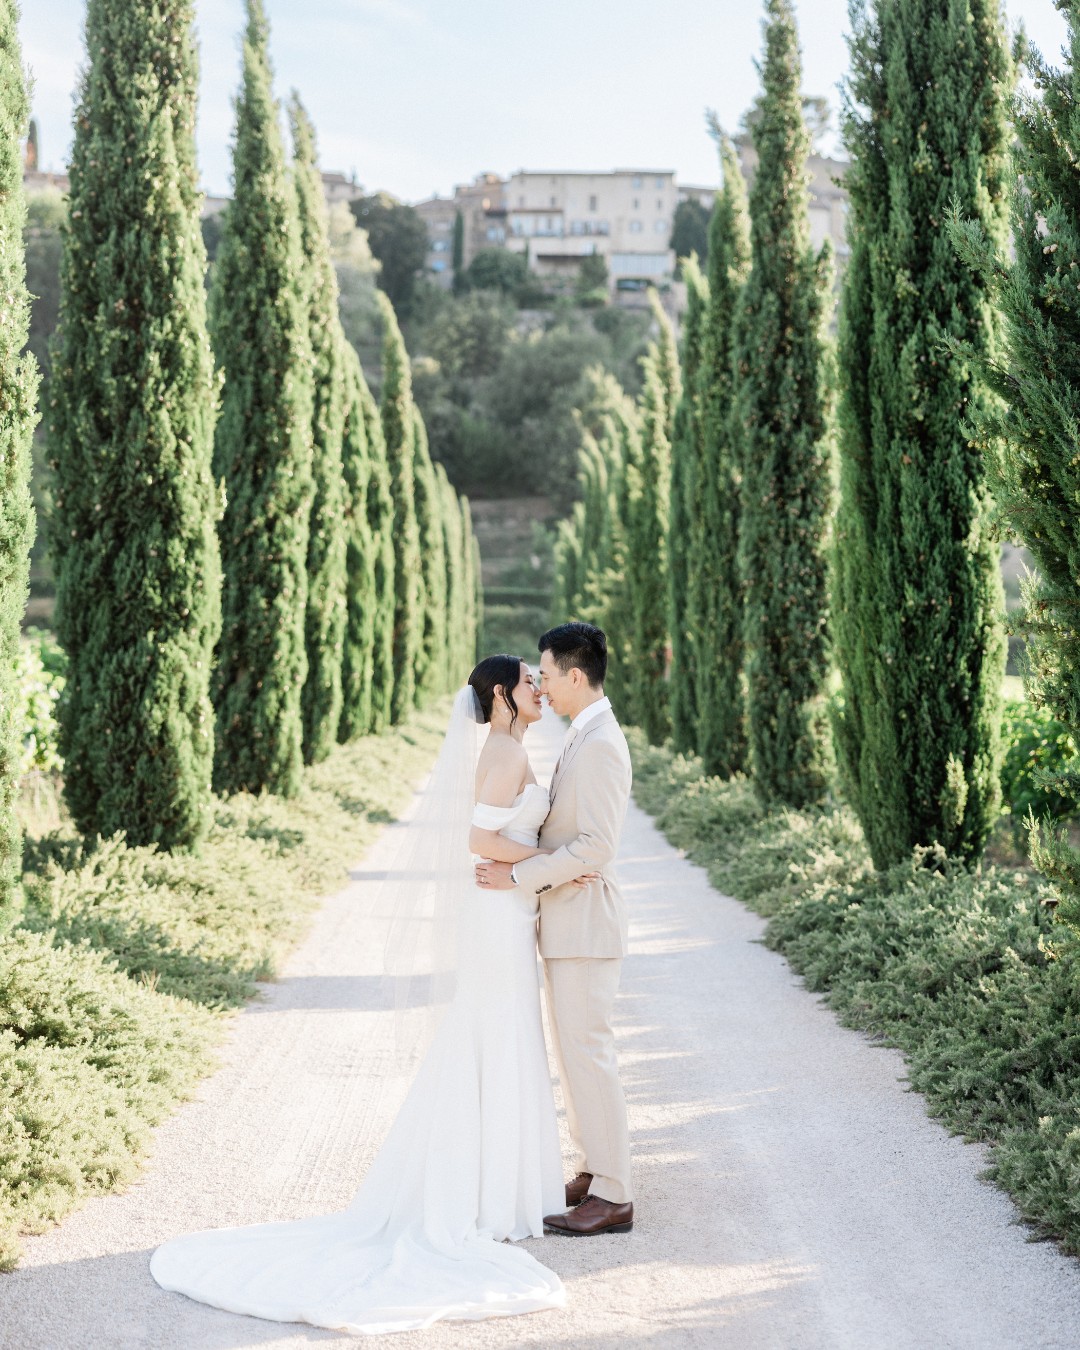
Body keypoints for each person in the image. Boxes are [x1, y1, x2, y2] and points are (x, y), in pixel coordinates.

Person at [149, 654, 597, 1335]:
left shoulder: (513, 746)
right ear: (504, 695)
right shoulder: (502, 754)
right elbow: (477, 839)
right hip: (495, 913)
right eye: (530, 683)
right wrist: (540, 869)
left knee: (502, 1035)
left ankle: (502, 1188)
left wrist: (554, 870)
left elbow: (506, 836)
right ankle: (487, 1193)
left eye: (543, 681)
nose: (541, 690)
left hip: (506, 911)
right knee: (493, 1034)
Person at [475, 621, 635, 1237]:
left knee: (590, 1055)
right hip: (569, 918)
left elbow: (595, 844)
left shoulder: (599, 743)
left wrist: (521, 877)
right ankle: (596, 1171)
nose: (539, 682)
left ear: (574, 674)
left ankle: (615, 1195)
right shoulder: (581, 734)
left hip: (587, 926)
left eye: (545, 672)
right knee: (575, 1059)